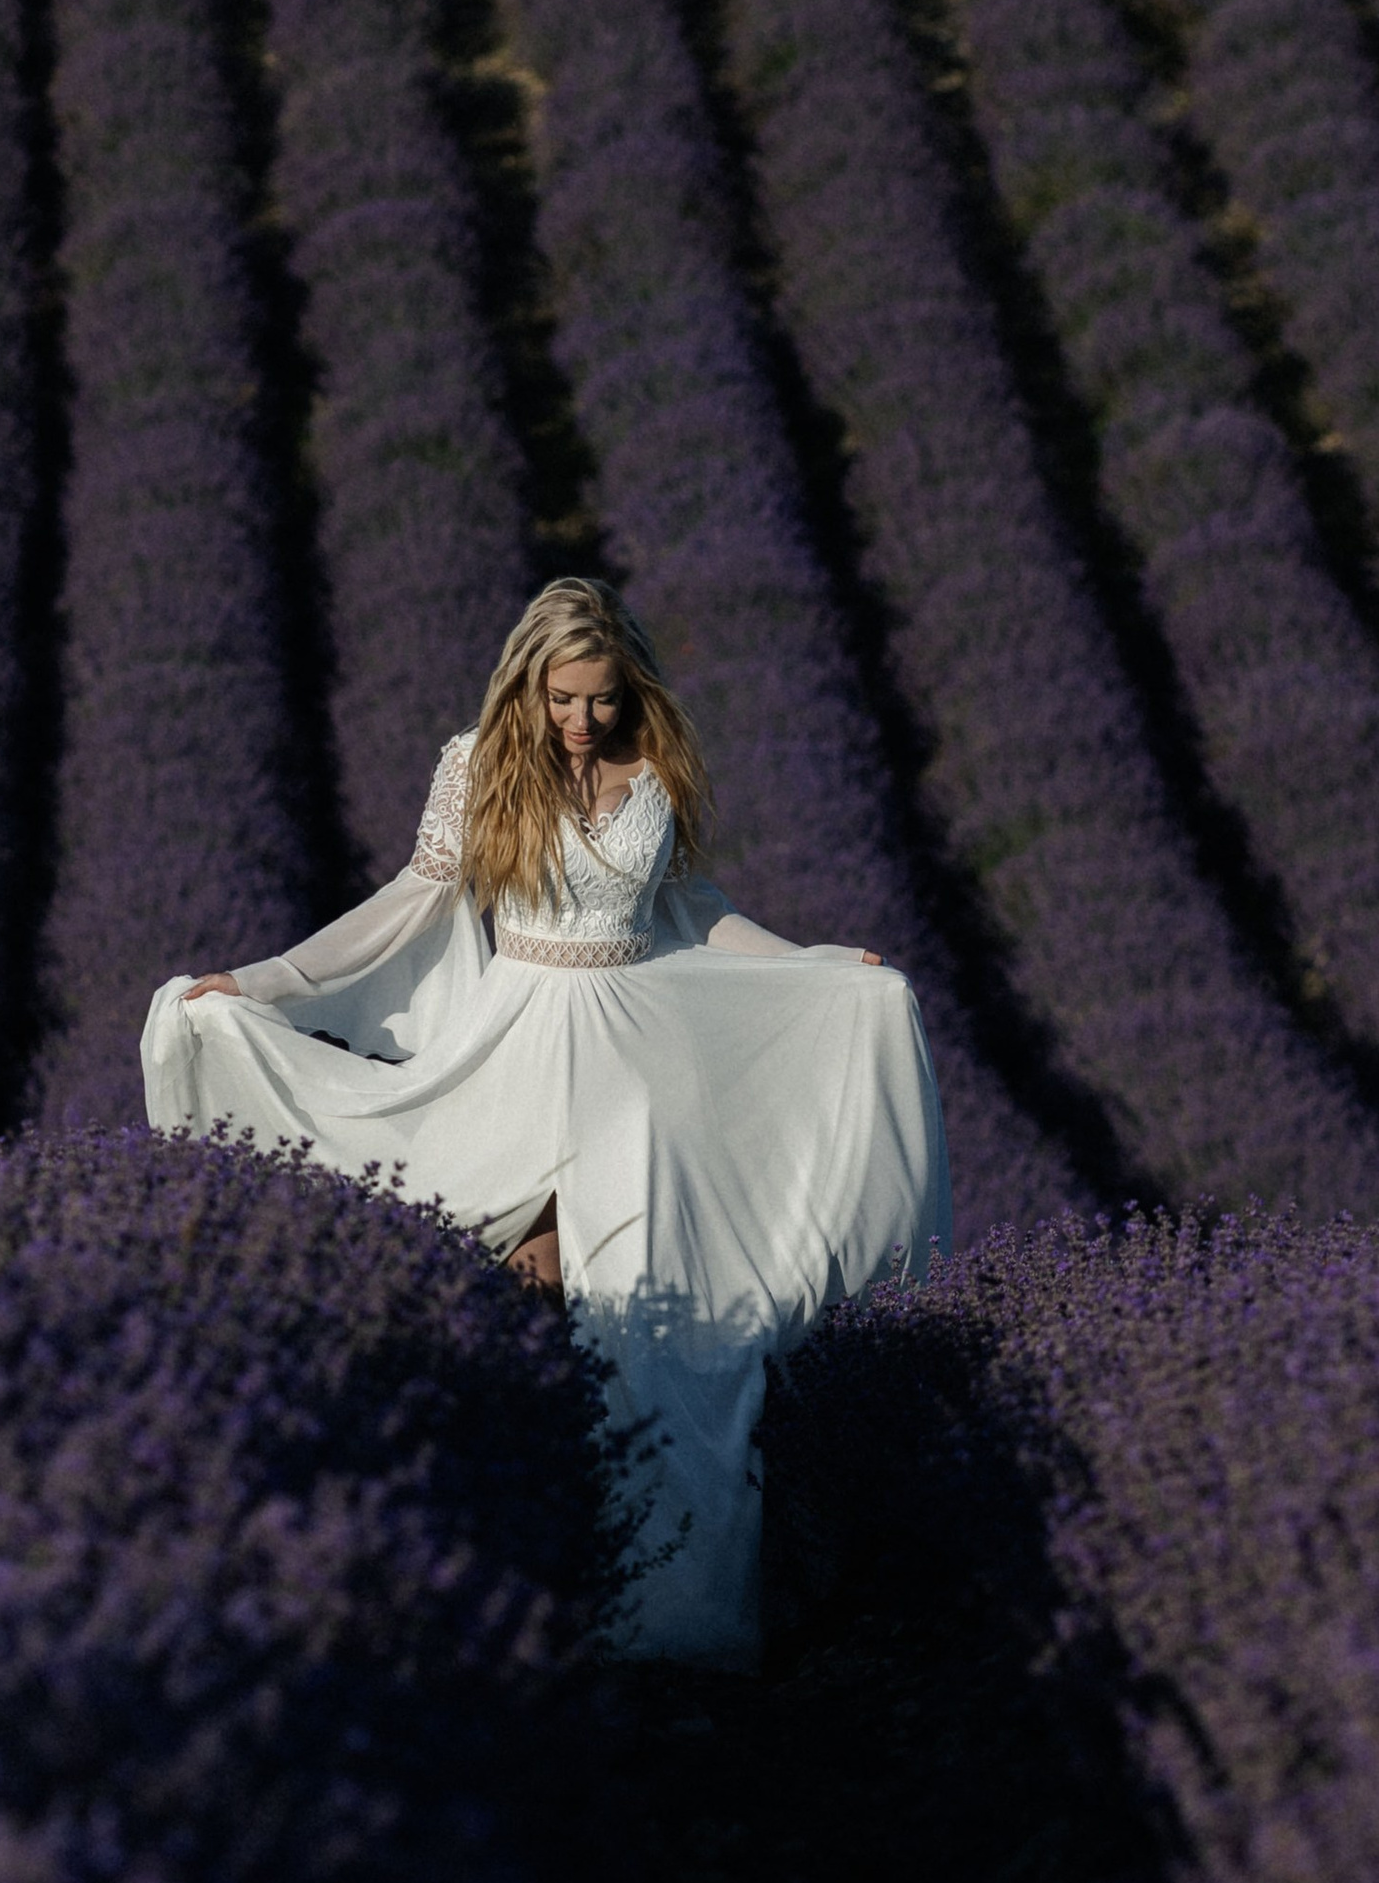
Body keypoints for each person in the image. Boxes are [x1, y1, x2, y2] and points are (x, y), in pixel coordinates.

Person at [140, 578, 949, 1663]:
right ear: (529, 681)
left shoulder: (653, 767)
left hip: (640, 1065)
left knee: (655, 1332)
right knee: (498, 1282)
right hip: (515, 1048)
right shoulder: (478, 762)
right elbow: (410, 902)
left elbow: (685, 912)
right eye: (564, 699)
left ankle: (668, 1620)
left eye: (603, 700)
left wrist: (809, 964)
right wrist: (265, 981)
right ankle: (477, 1582)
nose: (582, 722)